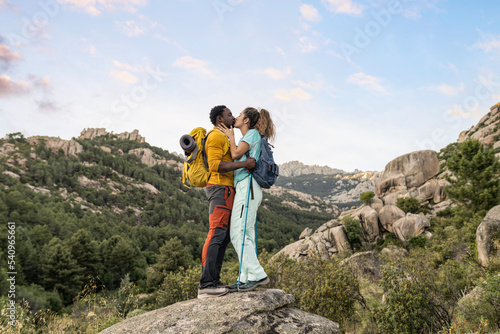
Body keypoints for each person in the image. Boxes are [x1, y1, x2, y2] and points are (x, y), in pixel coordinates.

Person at [198, 105, 256, 299]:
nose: (232, 117)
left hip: (226, 191)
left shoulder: (224, 137)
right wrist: (244, 164)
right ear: (219, 119)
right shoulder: (215, 136)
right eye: (229, 114)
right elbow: (215, 165)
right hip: (219, 189)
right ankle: (206, 283)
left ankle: (214, 282)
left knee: (223, 236)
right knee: (216, 233)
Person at [218, 107, 276, 292]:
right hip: (249, 188)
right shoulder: (252, 135)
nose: (236, 116)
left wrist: (230, 136)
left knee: (238, 232)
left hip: (247, 187)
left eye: (240, 115)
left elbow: (235, 155)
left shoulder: (251, 134)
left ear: (247, 121)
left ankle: (258, 274)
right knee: (246, 234)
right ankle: (245, 278)